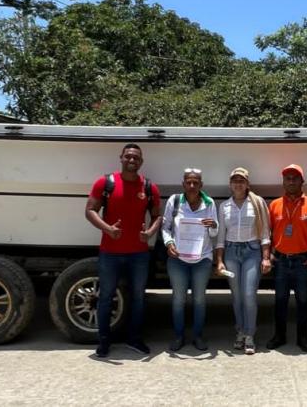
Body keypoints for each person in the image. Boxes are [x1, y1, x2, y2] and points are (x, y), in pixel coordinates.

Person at [85, 143, 162, 358]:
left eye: (136, 158)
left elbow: (157, 216)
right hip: (110, 251)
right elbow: (90, 210)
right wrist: (107, 229)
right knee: (106, 297)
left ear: (141, 161)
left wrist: (150, 233)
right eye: (128, 156)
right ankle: (103, 342)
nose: (131, 160)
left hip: (139, 253)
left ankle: (134, 339)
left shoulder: (149, 187)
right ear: (121, 158)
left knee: (138, 297)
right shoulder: (106, 182)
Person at [213, 167, 272, 354]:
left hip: (252, 251)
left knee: (248, 295)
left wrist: (266, 257)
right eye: (235, 180)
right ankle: (239, 331)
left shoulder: (257, 202)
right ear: (230, 184)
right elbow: (220, 236)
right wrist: (219, 261)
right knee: (236, 296)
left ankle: (250, 334)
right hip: (231, 253)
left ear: (247, 184)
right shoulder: (224, 207)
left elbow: (264, 232)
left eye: (242, 180)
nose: (238, 184)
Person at [160, 168, 219, 351]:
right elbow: (165, 227)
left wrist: (213, 226)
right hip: (178, 259)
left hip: (202, 259)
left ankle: (198, 336)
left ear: (201, 185)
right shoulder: (175, 201)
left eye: (196, 182)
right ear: (183, 184)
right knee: (178, 299)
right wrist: (169, 243)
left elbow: (215, 232)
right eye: (188, 182)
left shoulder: (209, 203)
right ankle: (178, 336)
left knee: (199, 300)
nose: (192, 185)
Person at [266, 163, 307, 352]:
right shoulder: (274, 205)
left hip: (302, 261)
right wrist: (269, 254)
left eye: (295, 178)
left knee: (303, 301)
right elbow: (268, 232)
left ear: (302, 181)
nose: (291, 181)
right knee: (280, 301)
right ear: (283, 181)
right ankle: (279, 336)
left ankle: (303, 338)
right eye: (287, 178)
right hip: (281, 261)